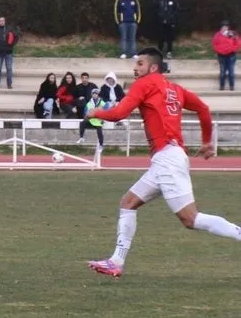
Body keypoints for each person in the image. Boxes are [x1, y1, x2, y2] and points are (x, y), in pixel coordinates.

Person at [86, 48, 241, 278]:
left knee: (191, 219)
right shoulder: (174, 89)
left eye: (140, 63)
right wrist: (207, 142)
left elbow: (120, 113)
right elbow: (203, 109)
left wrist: (95, 112)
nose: (135, 68)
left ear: (153, 67)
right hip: (167, 158)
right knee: (128, 203)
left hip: (168, 158)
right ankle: (116, 261)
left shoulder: (144, 84)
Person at [212, 20, 241, 91]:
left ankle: (232, 86)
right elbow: (214, 44)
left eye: (226, 26)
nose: (224, 28)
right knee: (222, 72)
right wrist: (219, 51)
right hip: (221, 56)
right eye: (223, 26)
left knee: (231, 72)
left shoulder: (232, 34)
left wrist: (233, 49)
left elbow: (238, 42)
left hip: (231, 56)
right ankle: (222, 86)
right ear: (221, 27)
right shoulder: (217, 35)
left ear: (228, 27)